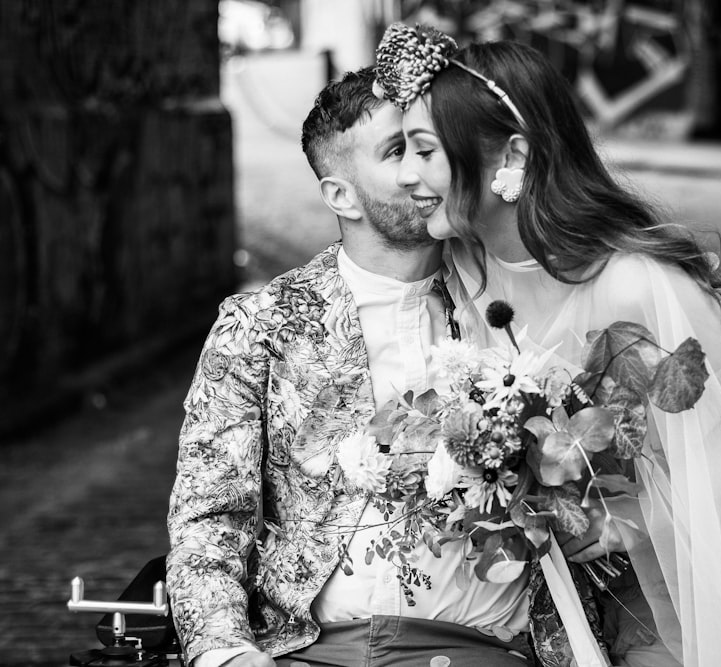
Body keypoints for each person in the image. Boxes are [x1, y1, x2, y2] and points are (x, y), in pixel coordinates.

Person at [374, 22, 721, 667]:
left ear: (512, 157)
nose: (405, 175)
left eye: (423, 152)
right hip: (570, 609)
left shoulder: (631, 286)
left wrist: (635, 523)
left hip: (699, 594)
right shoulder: (469, 273)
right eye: (400, 152)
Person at [167, 67, 578, 667]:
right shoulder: (261, 324)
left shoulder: (510, 303)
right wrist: (226, 654)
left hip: (489, 649)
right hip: (317, 652)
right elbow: (208, 517)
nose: (422, 171)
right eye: (396, 152)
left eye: (427, 147)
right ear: (341, 195)